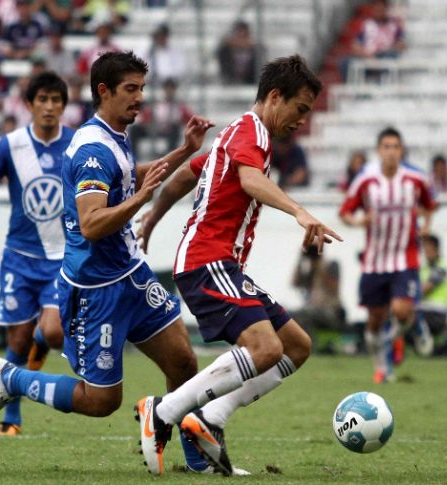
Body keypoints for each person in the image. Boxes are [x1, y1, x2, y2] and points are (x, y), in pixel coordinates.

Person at [0, 52, 219, 474]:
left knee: (184, 361)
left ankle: (196, 458)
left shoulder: (113, 136)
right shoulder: (91, 149)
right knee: (102, 401)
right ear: (103, 91)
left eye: (142, 88)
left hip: (131, 275)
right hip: (95, 289)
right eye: (131, 89)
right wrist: (142, 201)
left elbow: (129, 175)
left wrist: (184, 151)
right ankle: (11, 379)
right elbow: (91, 223)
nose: (140, 98)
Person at [135, 55, 341, 475]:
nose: (301, 121)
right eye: (300, 110)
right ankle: (163, 411)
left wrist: (153, 218)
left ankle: (210, 417)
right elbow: (250, 181)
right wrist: (300, 212)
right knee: (265, 348)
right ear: (274, 96)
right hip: (206, 260)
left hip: (220, 263)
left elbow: (186, 175)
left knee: (297, 346)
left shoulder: (236, 134)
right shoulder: (251, 134)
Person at [0, 72, 74, 436]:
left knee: (54, 333)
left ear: (63, 106)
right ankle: (12, 416)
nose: (49, 107)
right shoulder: (10, 144)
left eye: (56, 100)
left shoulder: (74, 144)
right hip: (19, 258)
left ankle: (43, 341)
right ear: (29, 105)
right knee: (17, 341)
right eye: (42, 99)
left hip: (61, 258)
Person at [338, 127, 438, 383]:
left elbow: (430, 203)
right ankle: (383, 366)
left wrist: (426, 224)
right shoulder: (366, 180)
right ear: (379, 150)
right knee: (374, 323)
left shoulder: (416, 178)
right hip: (374, 262)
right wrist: (360, 221)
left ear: (401, 150)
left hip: (405, 259)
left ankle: (414, 323)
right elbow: (345, 212)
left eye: (396, 147)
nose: (391, 152)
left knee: (401, 311)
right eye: (387, 147)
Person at [414, 234, 447, 355]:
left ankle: (425, 338)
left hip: (437, 312)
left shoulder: (441, 267)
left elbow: (424, 290)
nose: (426, 252)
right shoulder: (424, 268)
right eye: (425, 249)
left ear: (436, 249)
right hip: (423, 309)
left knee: (405, 316)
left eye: (429, 249)